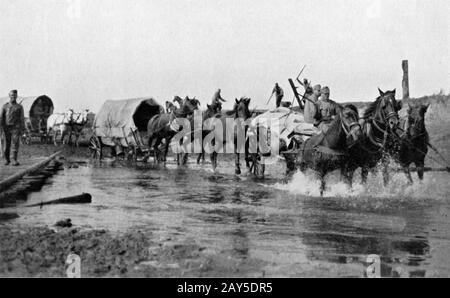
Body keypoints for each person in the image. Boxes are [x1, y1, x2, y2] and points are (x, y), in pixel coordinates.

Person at [0, 90, 25, 166]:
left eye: (14, 95)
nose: (13, 97)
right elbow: (1, 118)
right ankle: (7, 160)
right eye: (11, 95)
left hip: (16, 128)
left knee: (15, 143)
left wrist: (22, 129)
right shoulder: (5, 106)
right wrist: (1, 128)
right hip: (6, 128)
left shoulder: (19, 107)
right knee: (7, 145)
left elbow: (22, 118)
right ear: (9, 96)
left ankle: (14, 160)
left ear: (16, 96)